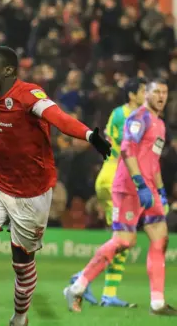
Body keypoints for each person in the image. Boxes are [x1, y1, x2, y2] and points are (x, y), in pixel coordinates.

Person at [0, 46, 111, 326]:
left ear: (8, 70)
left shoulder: (29, 95)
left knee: (22, 264)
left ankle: (20, 318)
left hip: (32, 193)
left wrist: (88, 136)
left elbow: (58, 117)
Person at [64, 80, 177, 316]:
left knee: (161, 239)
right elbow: (126, 151)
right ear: (145, 94)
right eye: (156, 91)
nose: (161, 96)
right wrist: (139, 184)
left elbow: (153, 163)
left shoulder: (160, 124)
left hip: (148, 189)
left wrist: (161, 191)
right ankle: (77, 286)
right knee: (125, 241)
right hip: (128, 187)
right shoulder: (139, 117)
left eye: (164, 93)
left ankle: (157, 302)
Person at [68, 77, 146, 307]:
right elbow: (125, 148)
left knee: (122, 239)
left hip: (112, 176)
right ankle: (81, 279)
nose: (146, 94)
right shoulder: (126, 115)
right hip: (116, 177)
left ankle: (107, 293)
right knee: (124, 238)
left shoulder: (127, 114)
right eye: (143, 90)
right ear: (132, 95)